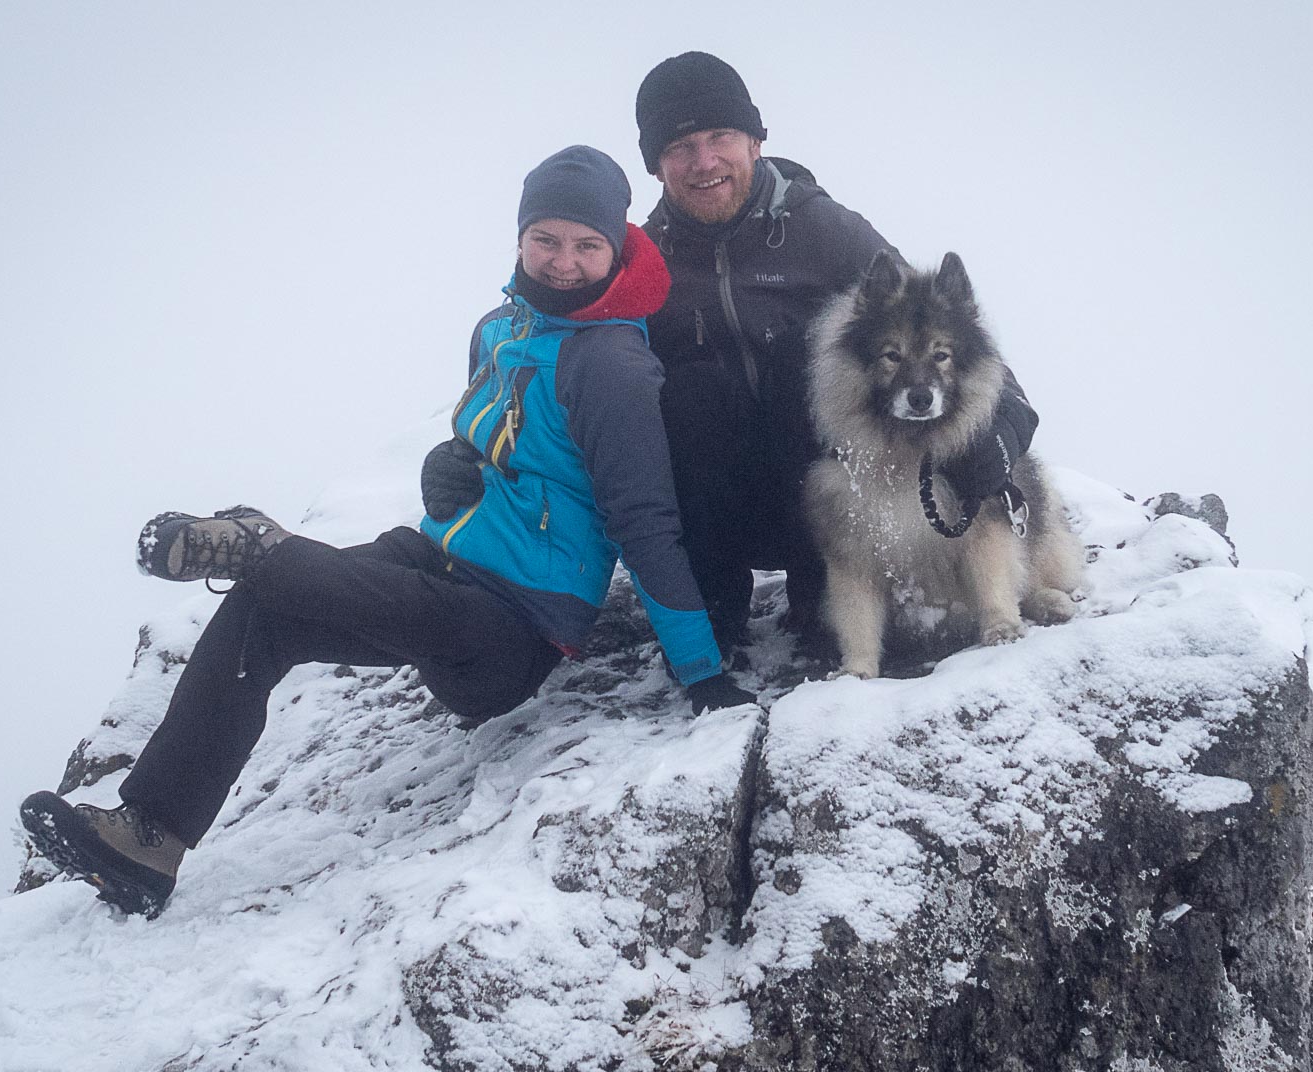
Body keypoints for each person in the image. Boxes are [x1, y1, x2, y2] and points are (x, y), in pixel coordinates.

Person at [20, 145, 756, 918]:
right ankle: (148, 837)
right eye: (547, 238)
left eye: (586, 245)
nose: (564, 262)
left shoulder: (610, 365)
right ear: (519, 238)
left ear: (616, 247)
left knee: (281, 574)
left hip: (510, 632)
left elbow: (642, 519)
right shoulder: (502, 328)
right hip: (445, 559)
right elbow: (503, 442)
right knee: (264, 617)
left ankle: (258, 543)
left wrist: (700, 669)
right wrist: (455, 460)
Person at [424, 54, 1043, 650]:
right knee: (688, 391)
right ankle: (711, 606)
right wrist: (470, 454)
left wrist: (1001, 431)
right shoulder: (642, 260)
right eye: (679, 147)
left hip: (822, 501)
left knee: (833, 620)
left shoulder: (825, 231)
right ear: (656, 165)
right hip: (708, 511)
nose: (705, 161)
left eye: (721, 135)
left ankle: (821, 592)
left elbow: (947, 338)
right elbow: (556, 355)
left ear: (755, 141)